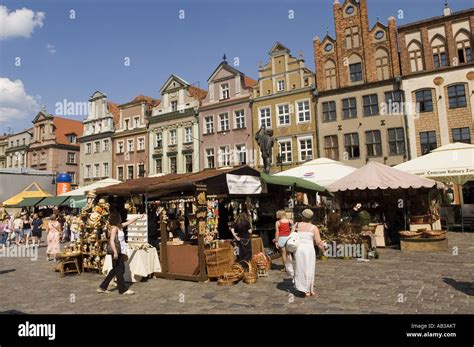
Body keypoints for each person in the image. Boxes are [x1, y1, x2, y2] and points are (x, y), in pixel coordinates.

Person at [97, 211, 142, 295]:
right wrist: (115, 252)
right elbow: (111, 241)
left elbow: (128, 222)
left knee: (115, 270)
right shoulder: (114, 228)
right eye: (119, 217)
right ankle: (123, 289)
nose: (121, 218)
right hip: (117, 251)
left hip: (121, 251)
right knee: (120, 270)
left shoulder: (119, 226)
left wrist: (137, 217)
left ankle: (102, 287)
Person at [292, 209, 325, 297]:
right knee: (309, 268)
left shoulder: (296, 224)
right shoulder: (314, 227)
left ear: (302, 216)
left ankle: (301, 287)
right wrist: (324, 250)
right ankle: (309, 290)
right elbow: (318, 242)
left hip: (299, 249)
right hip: (309, 250)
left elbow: (291, 237)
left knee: (300, 267)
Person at [274, 210, 293, 275]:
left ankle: (286, 268)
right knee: (289, 253)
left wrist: (276, 241)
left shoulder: (278, 222)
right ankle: (290, 267)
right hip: (288, 238)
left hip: (281, 238)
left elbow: (277, 232)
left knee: (283, 254)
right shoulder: (289, 221)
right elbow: (292, 229)